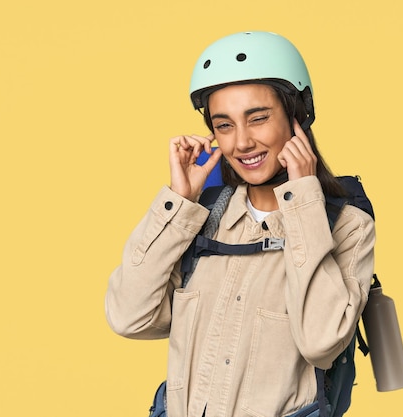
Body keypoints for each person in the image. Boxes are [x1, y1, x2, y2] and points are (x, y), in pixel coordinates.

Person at [105, 31, 375, 417]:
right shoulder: (202, 218)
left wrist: (303, 203)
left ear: (297, 116)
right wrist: (178, 204)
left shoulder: (347, 225)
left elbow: (321, 342)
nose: (242, 142)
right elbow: (128, 317)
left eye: (258, 118)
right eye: (224, 125)